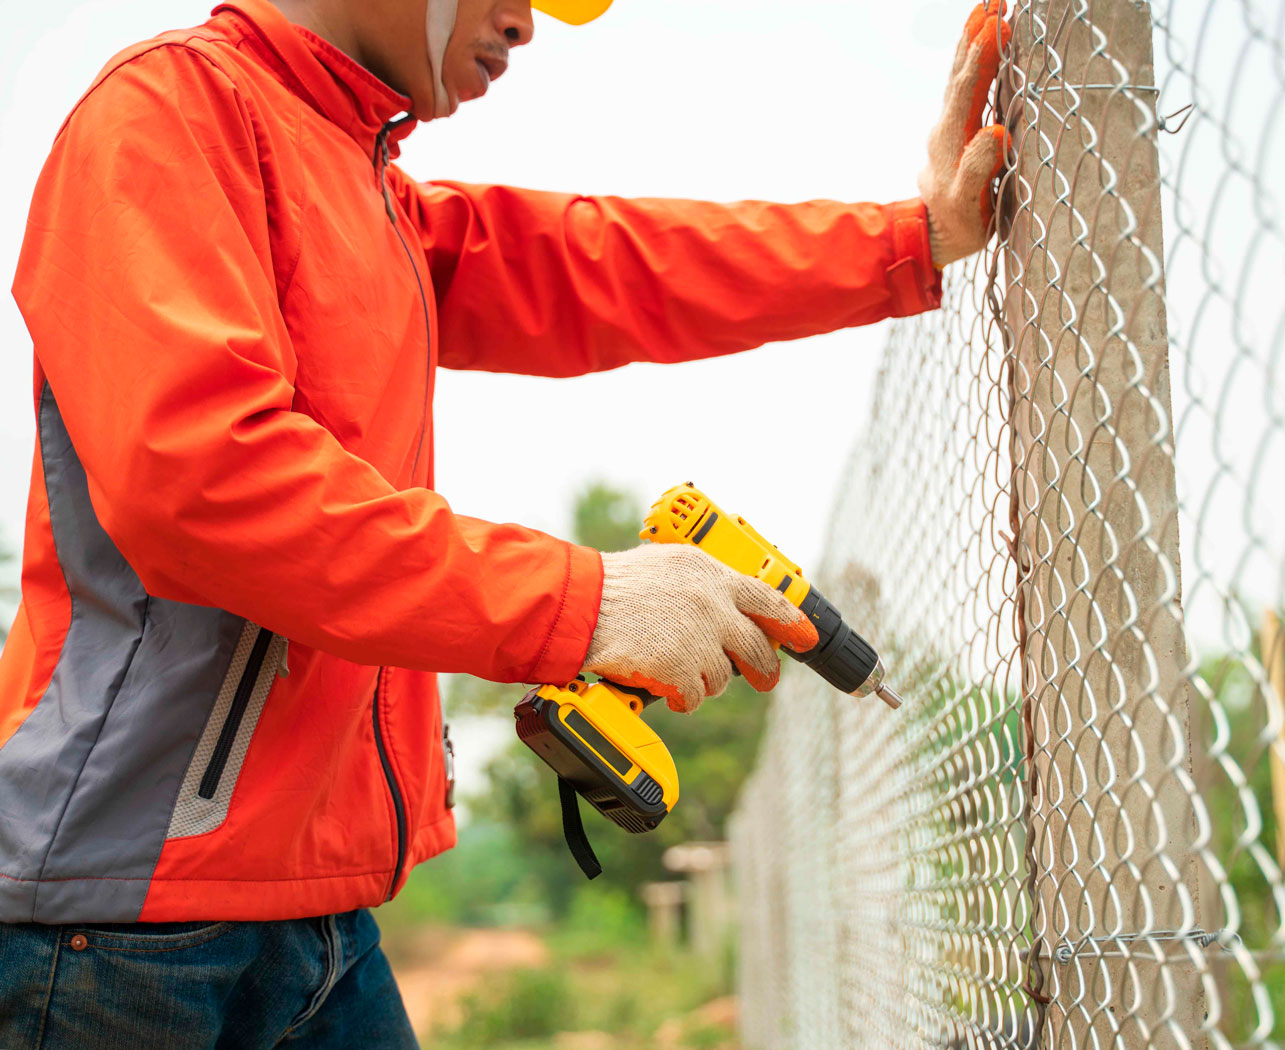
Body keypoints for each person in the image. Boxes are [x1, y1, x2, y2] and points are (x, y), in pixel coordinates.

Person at [0, 0, 1008, 1044]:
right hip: (115, 927)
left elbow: (603, 265)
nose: (524, 25)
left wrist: (913, 239)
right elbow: (202, 484)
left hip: (311, 910)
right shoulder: (169, 114)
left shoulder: (362, 187)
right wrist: (584, 602)